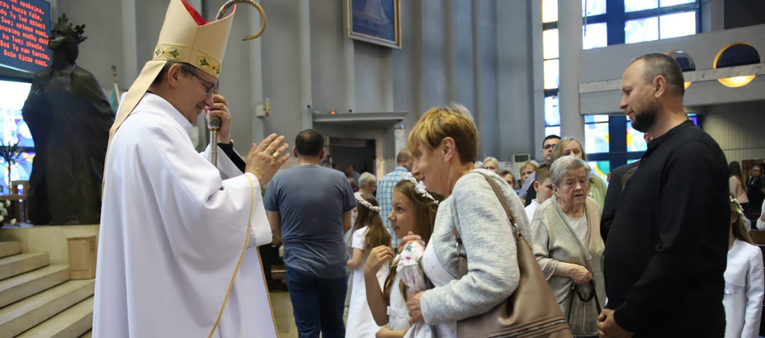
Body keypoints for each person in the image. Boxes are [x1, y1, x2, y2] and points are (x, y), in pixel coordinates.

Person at [94, 1, 287, 337]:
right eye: (207, 86)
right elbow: (205, 213)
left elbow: (180, 193)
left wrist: (220, 145)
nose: (210, 99)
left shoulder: (141, 127)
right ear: (174, 75)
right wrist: (254, 178)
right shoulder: (154, 130)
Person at [599, 53, 729, 338]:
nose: (622, 103)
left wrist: (628, 318)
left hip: (675, 325)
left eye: (628, 92)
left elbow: (677, 251)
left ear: (658, 87)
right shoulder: (661, 152)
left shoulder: (691, 152)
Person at [402, 104, 533, 338]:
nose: (414, 169)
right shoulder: (467, 191)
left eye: (418, 156)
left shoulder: (471, 188)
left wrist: (427, 304)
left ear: (446, 149)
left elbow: (495, 279)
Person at [22, 14, 114, 225]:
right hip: (50, 149)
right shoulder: (41, 78)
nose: (53, 35)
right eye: (53, 32)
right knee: (50, 201)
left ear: (71, 42)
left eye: (60, 34)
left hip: (77, 153)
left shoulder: (82, 79)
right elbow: (30, 115)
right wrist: (33, 104)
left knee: (77, 206)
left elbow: (105, 118)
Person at [265, 129, 356, 338]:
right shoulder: (340, 179)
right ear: (322, 152)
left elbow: (273, 226)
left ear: (295, 152)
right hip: (333, 266)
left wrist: (291, 241)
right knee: (334, 326)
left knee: (307, 330)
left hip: (298, 265)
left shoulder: (278, 181)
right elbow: (347, 223)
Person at [531, 157, 604, 335]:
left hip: (596, 308)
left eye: (582, 180)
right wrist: (570, 270)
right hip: (560, 312)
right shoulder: (545, 214)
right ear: (555, 189)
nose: (579, 187)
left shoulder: (594, 208)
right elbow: (533, 262)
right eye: (570, 183)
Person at [365, 176, 441, 338]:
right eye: (393, 208)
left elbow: (433, 329)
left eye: (399, 209)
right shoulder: (403, 257)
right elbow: (382, 317)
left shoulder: (432, 262)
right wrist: (369, 274)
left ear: (426, 213)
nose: (390, 216)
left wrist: (388, 335)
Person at [345, 193, 392, 338]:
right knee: (379, 313)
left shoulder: (360, 234)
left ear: (363, 213)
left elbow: (356, 262)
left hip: (364, 282)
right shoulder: (385, 232)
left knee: (361, 313)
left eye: (355, 211)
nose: (353, 215)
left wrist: (344, 261)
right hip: (382, 279)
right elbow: (391, 258)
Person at [724, 197, 764, 338]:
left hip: (734, 329)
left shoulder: (750, 254)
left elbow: (755, 301)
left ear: (733, 217)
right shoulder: (703, 253)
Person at [550, 137, 607, 209]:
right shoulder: (551, 184)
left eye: (576, 152)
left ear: (582, 156)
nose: (573, 156)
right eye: (567, 153)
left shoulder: (597, 182)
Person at [378, 150, 413, 249]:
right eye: (413, 160)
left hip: (385, 240)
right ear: (404, 161)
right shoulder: (411, 180)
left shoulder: (382, 180)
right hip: (405, 241)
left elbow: (377, 208)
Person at [521, 135, 561, 205]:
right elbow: (522, 199)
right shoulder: (532, 176)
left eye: (554, 146)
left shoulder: (568, 174)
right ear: (542, 152)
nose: (550, 149)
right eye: (547, 147)